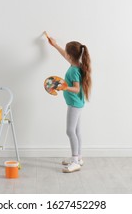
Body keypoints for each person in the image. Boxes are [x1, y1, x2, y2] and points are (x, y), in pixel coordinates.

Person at [47, 35, 92, 173]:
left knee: (70, 131)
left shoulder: (73, 70)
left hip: (74, 104)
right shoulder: (76, 64)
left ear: (70, 54)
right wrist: (54, 45)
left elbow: (77, 89)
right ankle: (78, 157)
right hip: (76, 103)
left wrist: (64, 87)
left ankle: (75, 161)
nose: (65, 54)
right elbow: (65, 56)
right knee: (77, 131)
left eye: (66, 52)